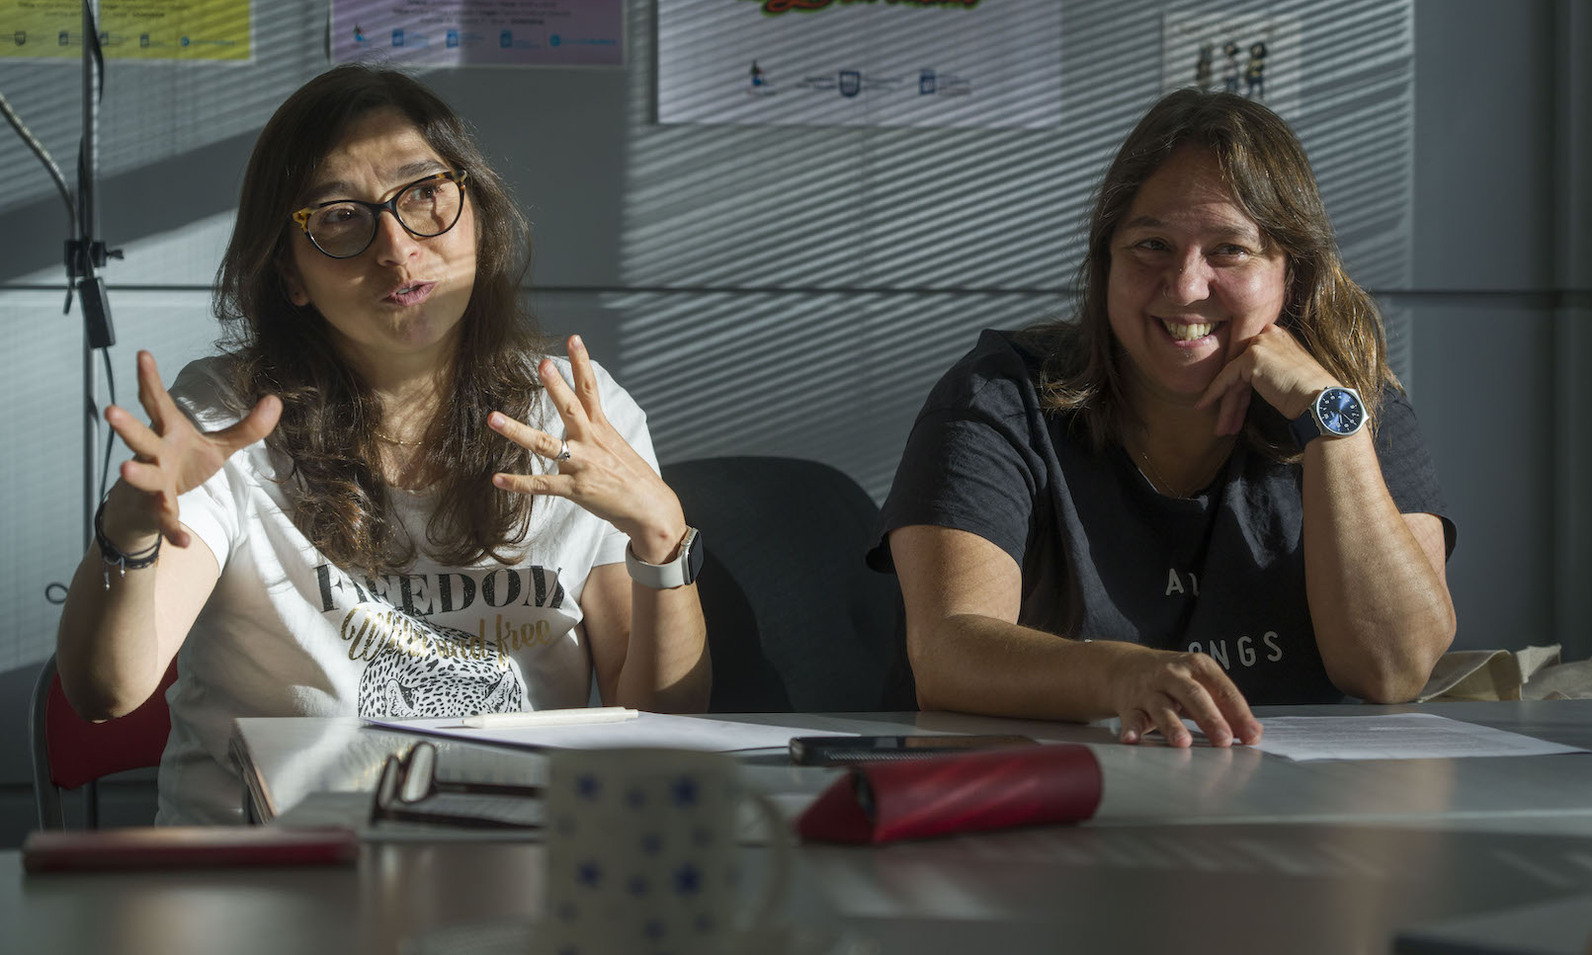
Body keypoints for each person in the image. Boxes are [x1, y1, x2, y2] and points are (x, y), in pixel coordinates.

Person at [56, 65, 711, 823]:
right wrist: (132, 524)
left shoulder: (578, 416)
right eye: (340, 216)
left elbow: (662, 724)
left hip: (508, 867)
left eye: (424, 193)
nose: (398, 251)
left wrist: (662, 539)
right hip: (268, 880)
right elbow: (106, 691)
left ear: (477, 213)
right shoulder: (228, 416)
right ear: (291, 274)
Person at [871, 89, 1455, 749]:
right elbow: (948, 651)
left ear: (1291, 271)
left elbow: (1391, 669)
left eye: (1228, 250)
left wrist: (1329, 423)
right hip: (1037, 804)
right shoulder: (1000, 395)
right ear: (1107, 263)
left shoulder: (1350, 402)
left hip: (1285, 815)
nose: (1184, 286)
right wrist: (1121, 673)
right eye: (1151, 244)